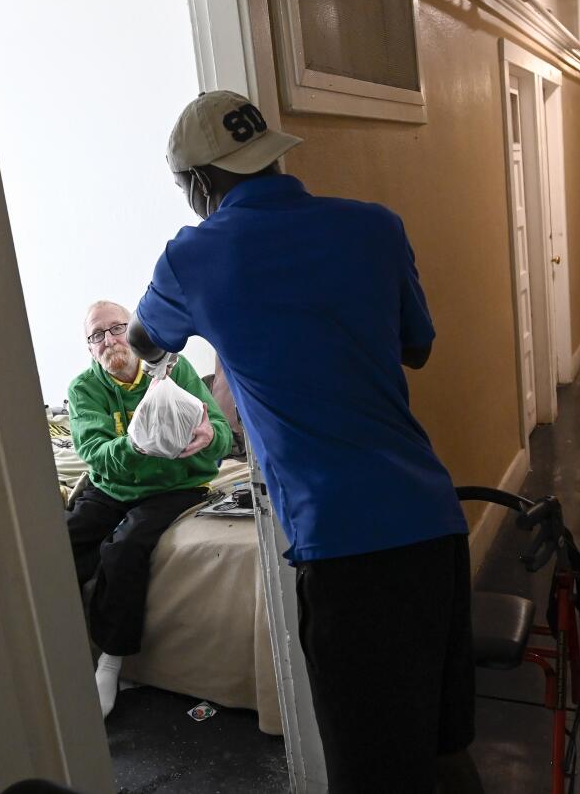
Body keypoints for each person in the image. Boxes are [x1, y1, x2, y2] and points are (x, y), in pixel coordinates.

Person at [127, 91, 482, 793]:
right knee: (441, 747)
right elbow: (417, 349)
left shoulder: (192, 256)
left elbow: (141, 343)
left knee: (368, 771)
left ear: (199, 183)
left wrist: (232, 337)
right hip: (433, 524)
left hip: (346, 550)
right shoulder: (376, 227)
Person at [66, 300, 231, 717]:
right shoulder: (84, 389)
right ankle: (59, 649)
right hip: (112, 487)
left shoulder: (176, 371)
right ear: (89, 348)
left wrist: (210, 435)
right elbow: (96, 453)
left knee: (124, 549)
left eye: (117, 328)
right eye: (96, 335)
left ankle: (111, 660)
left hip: (174, 486)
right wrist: (137, 445)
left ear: (136, 331)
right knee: (60, 541)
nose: (109, 341)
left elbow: (224, 436)